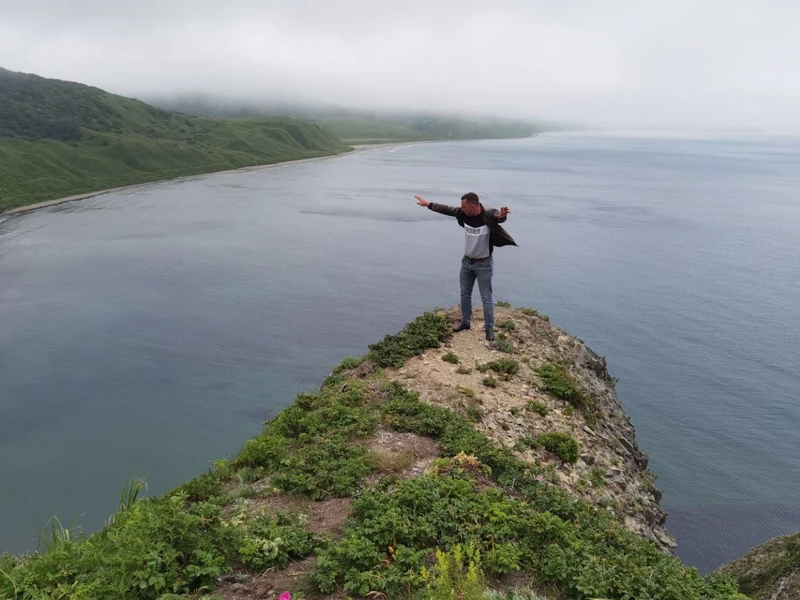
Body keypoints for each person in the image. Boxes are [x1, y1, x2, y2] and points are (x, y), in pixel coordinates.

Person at [415, 192, 516, 341]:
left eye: (464, 206)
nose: (461, 209)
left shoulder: (487, 215)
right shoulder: (464, 214)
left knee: (486, 298)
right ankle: (465, 322)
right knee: (465, 293)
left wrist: (502, 216)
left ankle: (489, 329)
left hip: (483, 264)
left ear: (474, 206)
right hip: (467, 262)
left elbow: (497, 217)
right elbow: (448, 209)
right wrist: (428, 204)